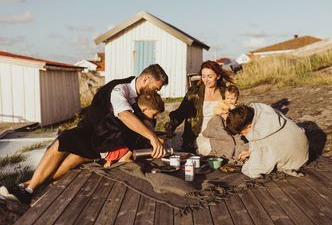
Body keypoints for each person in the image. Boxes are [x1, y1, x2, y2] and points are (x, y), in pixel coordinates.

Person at [9, 64, 168, 204]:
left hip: (106, 141)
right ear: (145, 79)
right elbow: (124, 115)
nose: (156, 92)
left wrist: (153, 134)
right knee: (62, 142)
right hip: (90, 130)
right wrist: (152, 137)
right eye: (156, 88)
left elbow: (145, 119)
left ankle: (27, 188)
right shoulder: (120, 88)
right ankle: (28, 189)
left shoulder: (143, 96)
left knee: (71, 157)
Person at [164, 60, 234, 154]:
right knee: (210, 147)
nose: (206, 80)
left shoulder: (225, 92)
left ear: (218, 76)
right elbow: (180, 113)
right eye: (203, 76)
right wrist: (171, 125)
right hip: (199, 135)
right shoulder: (194, 93)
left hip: (221, 133)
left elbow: (235, 109)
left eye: (210, 76)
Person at [226, 103, 309, 178]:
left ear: (249, 126)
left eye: (241, 133)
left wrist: (246, 166)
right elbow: (275, 140)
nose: (241, 135)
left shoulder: (259, 139)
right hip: (303, 147)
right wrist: (251, 151)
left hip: (296, 162)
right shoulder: (268, 113)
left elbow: (254, 171)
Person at [103, 91, 164, 168]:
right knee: (142, 131)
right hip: (111, 151)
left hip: (107, 148)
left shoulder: (132, 110)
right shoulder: (135, 118)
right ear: (144, 109)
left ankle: (116, 158)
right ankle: (125, 158)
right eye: (154, 114)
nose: (155, 117)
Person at [202, 85, 248, 162]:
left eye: (232, 99)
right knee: (217, 122)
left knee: (238, 137)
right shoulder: (222, 104)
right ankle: (225, 143)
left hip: (232, 124)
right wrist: (221, 112)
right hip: (222, 121)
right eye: (227, 98)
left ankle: (236, 149)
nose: (230, 101)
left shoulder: (238, 105)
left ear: (237, 97)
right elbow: (216, 110)